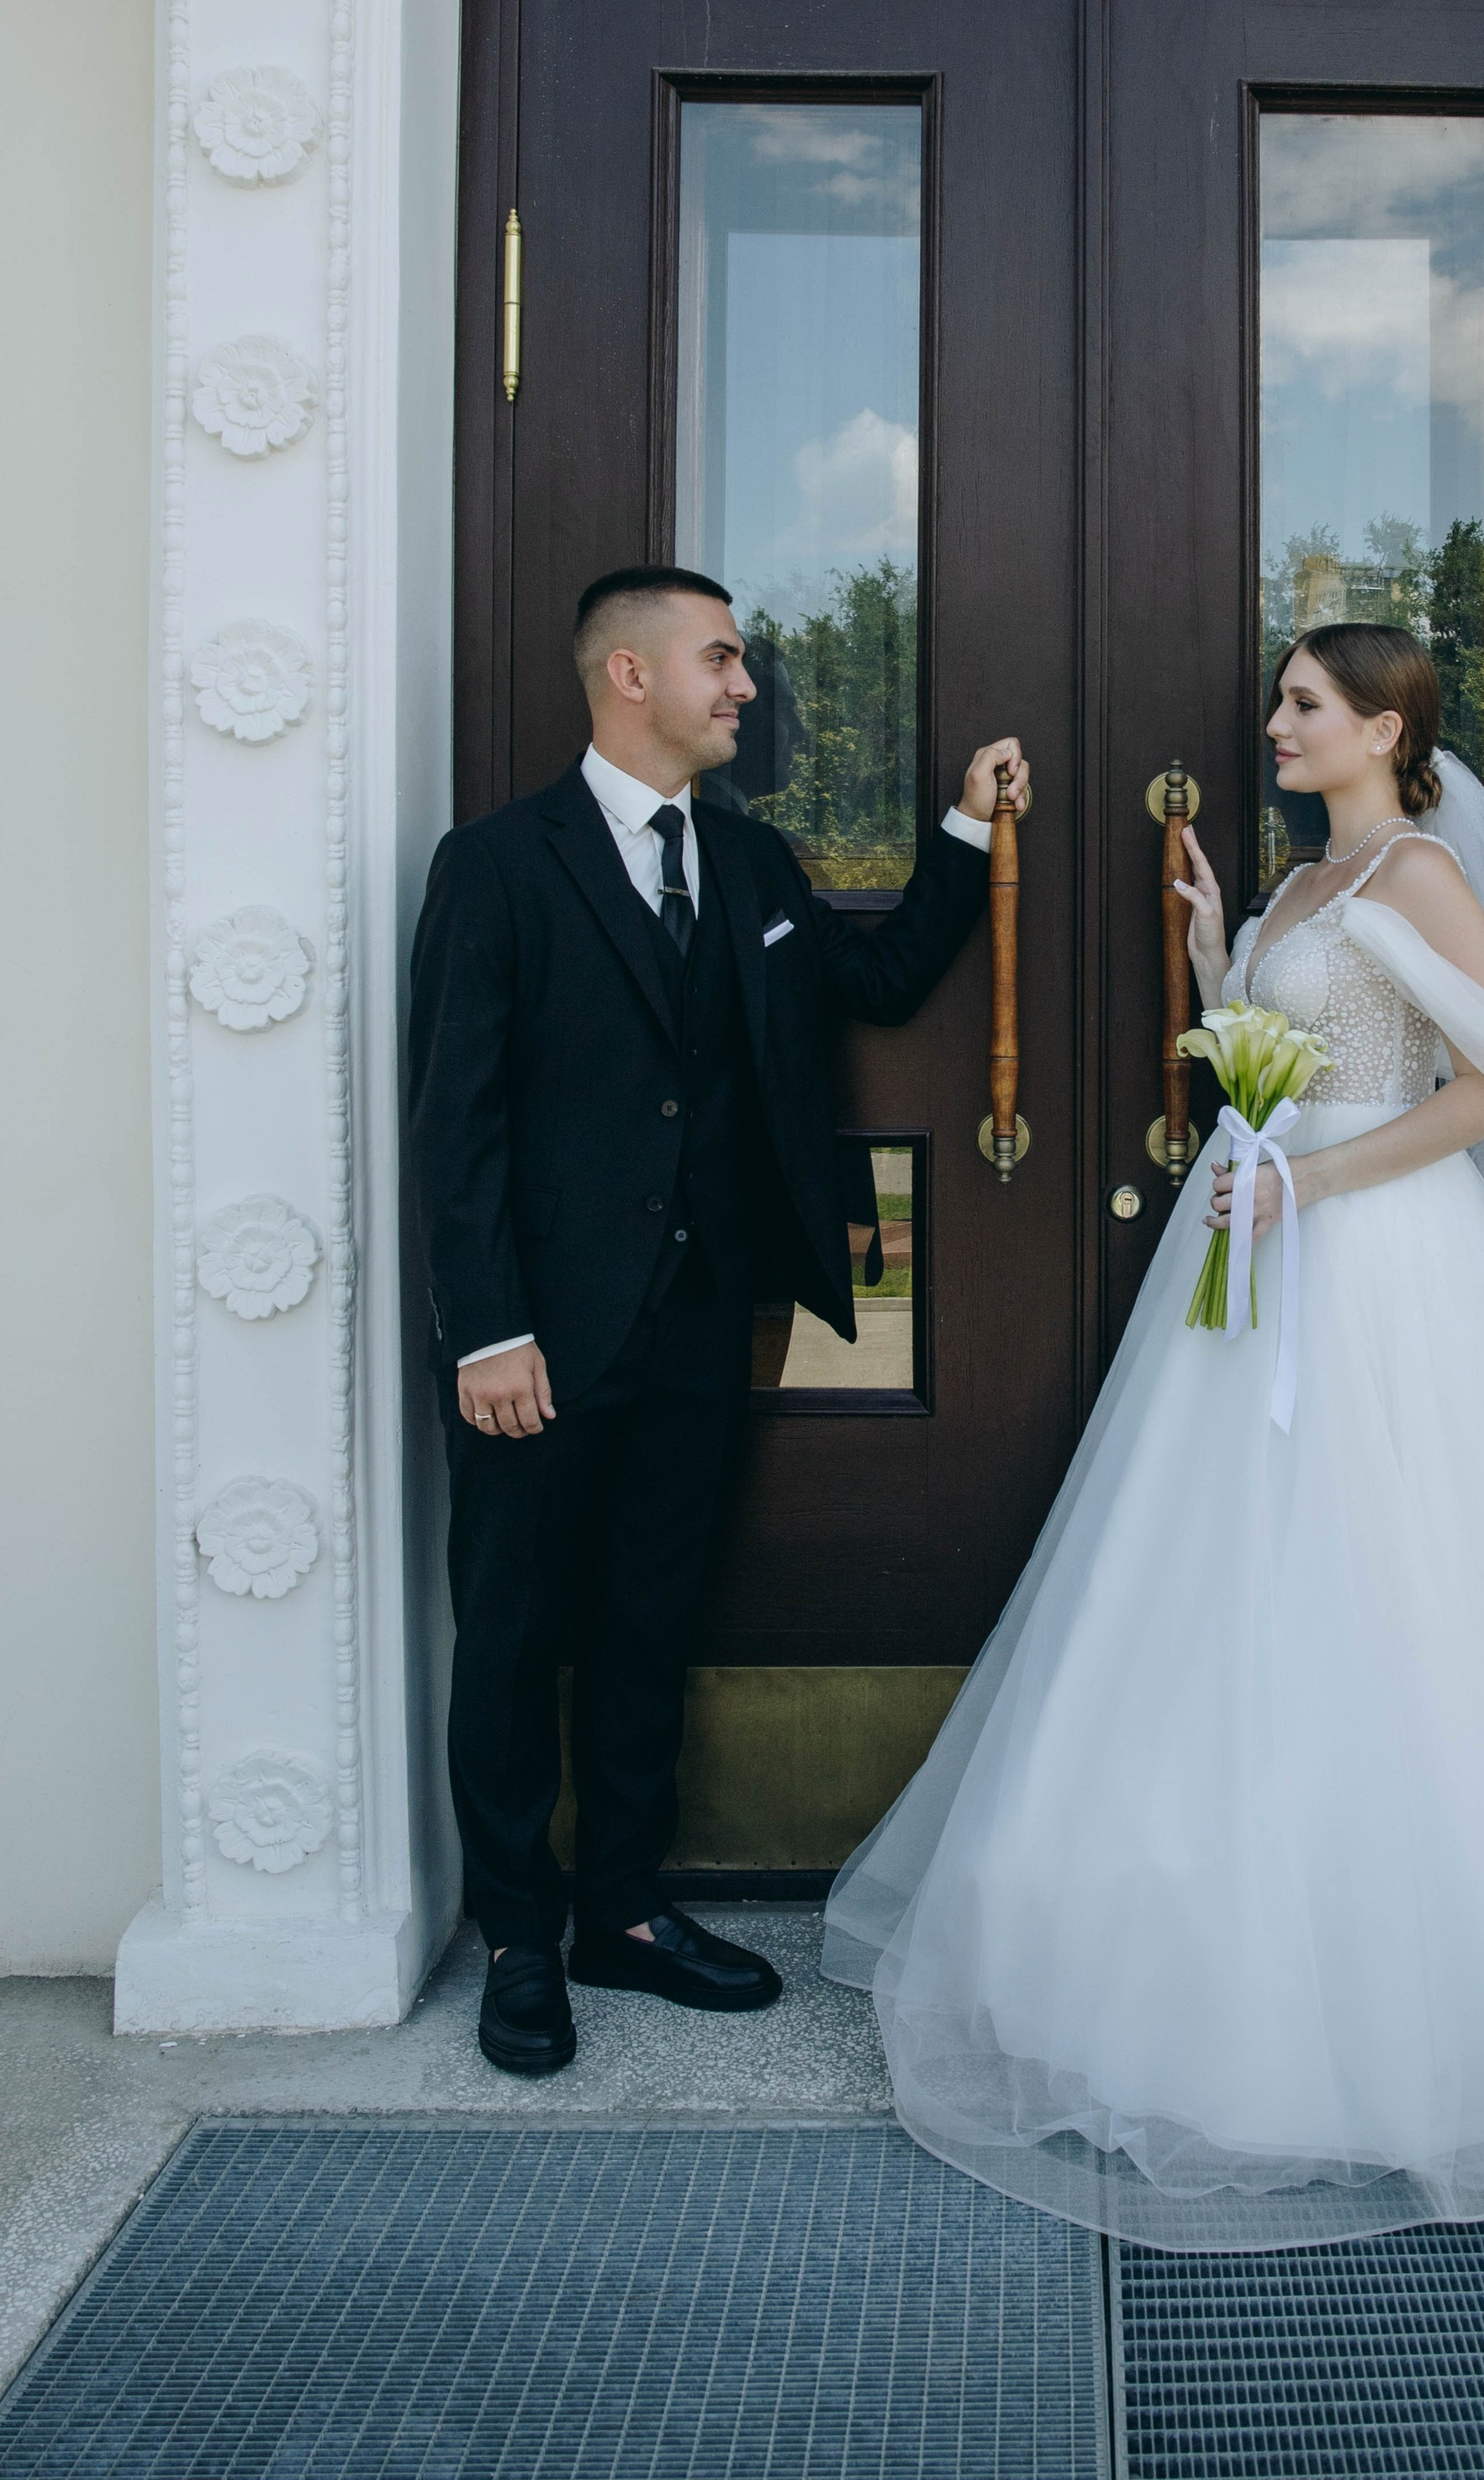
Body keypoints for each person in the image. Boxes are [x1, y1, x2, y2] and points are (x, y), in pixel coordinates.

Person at [824, 621, 1484, 2243]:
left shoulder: (1425, 872)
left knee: (1393, 1592)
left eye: (1305, 705)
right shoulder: (1306, 886)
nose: (1277, 724)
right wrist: (1232, 947)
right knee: (1217, 1588)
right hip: (1255, 1262)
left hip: (1381, 1272)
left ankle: (1444, 2037)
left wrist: (1314, 1176)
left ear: (1384, 726)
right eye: (1281, 703)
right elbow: (1290, 1046)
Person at [409, 563, 1027, 2077]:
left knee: (646, 1622)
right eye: (725, 660)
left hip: (698, 1326)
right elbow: (457, 1122)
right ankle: (517, 1935)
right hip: (536, 1343)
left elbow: (875, 984)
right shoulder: (494, 866)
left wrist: (963, 829)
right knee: (511, 1633)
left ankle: (623, 1907)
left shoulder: (748, 867)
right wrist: (488, 1331)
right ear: (630, 675)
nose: (746, 687)